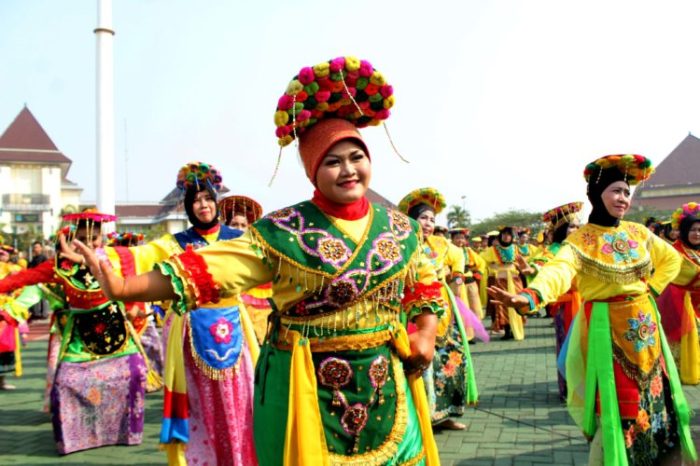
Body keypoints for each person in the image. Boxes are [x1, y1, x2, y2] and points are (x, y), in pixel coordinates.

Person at [76, 55, 444, 466]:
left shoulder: (400, 229)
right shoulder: (284, 230)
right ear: (311, 170)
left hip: (385, 379)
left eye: (356, 157)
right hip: (304, 381)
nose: (348, 170)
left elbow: (425, 285)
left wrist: (426, 333)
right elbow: (209, 269)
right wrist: (125, 287)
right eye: (332, 161)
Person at [488, 154, 696, 465]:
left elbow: (672, 260)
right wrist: (531, 296)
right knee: (615, 402)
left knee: (654, 395)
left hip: (647, 327)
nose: (623, 198)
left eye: (627, 192)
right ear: (596, 194)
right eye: (615, 191)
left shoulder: (639, 233)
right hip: (606, 329)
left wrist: (651, 288)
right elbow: (558, 270)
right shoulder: (581, 241)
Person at [98, 163, 259, 465]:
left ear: (216, 201)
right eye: (196, 200)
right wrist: (99, 255)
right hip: (189, 333)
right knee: (198, 403)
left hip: (235, 331)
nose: (203, 205)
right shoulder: (175, 243)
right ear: (188, 206)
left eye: (208, 198)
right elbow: (140, 255)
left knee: (242, 399)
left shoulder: (238, 240)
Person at [0, 209, 149, 455]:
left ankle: (124, 432)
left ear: (101, 238)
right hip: (80, 334)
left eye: (93, 239)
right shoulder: (61, 265)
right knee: (66, 383)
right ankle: (74, 437)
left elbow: (133, 283)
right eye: (81, 238)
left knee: (133, 374)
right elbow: (25, 278)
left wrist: (134, 308)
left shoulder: (118, 257)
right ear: (71, 240)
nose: (88, 244)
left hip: (115, 330)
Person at [399, 187, 481, 431]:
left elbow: (459, 259)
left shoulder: (441, 244)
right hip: (413, 310)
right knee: (420, 360)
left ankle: (446, 415)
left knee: (451, 359)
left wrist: (456, 276)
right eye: (423, 218)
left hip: (444, 309)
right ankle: (421, 417)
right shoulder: (402, 244)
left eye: (432, 219)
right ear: (411, 219)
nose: (428, 223)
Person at [538, 201, 583, 400]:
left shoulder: (584, 246)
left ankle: (586, 389)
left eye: (578, 225)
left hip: (586, 302)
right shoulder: (555, 250)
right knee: (568, 347)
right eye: (572, 226)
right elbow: (542, 266)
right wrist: (532, 270)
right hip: (566, 305)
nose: (576, 229)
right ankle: (569, 389)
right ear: (562, 229)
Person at [655, 202, 700, 385]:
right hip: (680, 304)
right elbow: (676, 276)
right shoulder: (675, 252)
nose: (697, 233)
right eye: (693, 230)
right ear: (684, 231)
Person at [219, 194, 273, 345]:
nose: (239, 229)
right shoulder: (220, 250)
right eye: (235, 225)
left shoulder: (259, 250)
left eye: (243, 225)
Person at [480, 226, 535, 340]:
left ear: (512, 237)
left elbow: (523, 262)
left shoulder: (516, 248)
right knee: (503, 305)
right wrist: (493, 266)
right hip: (501, 280)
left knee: (517, 301)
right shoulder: (493, 249)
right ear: (500, 236)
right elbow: (481, 260)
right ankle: (507, 330)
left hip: (515, 280)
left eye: (508, 234)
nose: (506, 237)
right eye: (504, 234)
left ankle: (517, 329)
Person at [450, 228, 486, 320]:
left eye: (462, 238)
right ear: (452, 239)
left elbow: (481, 262)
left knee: (474, 304)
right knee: (459, 306)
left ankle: (474, 329)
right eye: (457, 238)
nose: (460, 240)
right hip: (455, 281)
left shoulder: (468, 250)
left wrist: (479, 272)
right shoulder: (448, 250)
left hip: (469, 280)